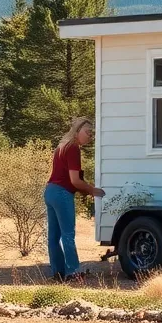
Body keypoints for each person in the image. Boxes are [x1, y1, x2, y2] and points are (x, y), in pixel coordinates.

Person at [46, 117, 105, 282]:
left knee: (53, 236)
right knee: (68, 234)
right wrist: (93, 190)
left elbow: (67, 178)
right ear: (77, 131)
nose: (90, 136)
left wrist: (86, 187)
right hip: (62, 194)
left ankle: (57, 273)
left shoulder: (61, 147)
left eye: (92, 134)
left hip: (50, 191)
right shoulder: (73, 148)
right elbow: (74, 181)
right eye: (87, 132)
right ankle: (73, 272)